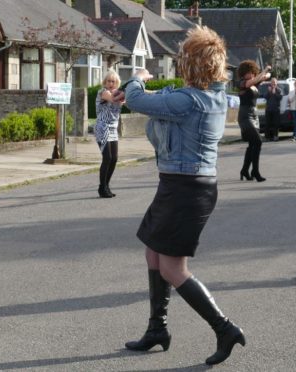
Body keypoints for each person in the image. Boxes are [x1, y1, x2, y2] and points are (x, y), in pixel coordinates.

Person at [119, 26, 246, 366]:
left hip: (187, 190)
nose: (177, 63)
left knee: (173, 268)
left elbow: (137, 99)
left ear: (192, 63)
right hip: (179, 186)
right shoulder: (209, 96)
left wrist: (138, 77)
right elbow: (156, 105)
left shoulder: (190, 100)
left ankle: (225, 328)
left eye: (182, 59)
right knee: (153, 253)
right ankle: (157, 329)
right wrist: (135, 91)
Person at [237, 60, 271, 182]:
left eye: (252, 72)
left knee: (252, 144)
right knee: (258, 142)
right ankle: (255, 171)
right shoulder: (241, 83)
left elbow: (267, 76)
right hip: (245, 116)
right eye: (249, 73)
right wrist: (265, 70)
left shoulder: (254, 84)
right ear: (243, 73)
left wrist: (266, 73)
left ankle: (245, 170)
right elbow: (256, 79)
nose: (251, 75)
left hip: (254, 115)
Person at [94, 70, 123, 198]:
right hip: (103, 127)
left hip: (113, 128)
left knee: (114, 158)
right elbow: (112, 98)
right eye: (109, 81)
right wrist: (123, 96)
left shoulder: (119, 94)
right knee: (107, 158)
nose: (111, 83)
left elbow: (126, 101)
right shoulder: (103, 92)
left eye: (113, 81)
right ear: (105, 82)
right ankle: (102, 187)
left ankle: (106, 185)